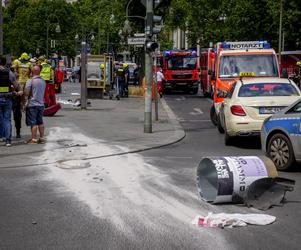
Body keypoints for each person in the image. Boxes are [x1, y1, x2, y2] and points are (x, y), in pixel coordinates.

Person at [11, 52, 32, 138]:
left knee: (19, 98)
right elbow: (32, 72)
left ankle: (21, 105)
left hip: (19, 83)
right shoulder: (29, 63)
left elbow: (12, 69)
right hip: (26, 82)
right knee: (25, 97)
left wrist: (16, 73)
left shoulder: (17, 62)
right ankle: (23, 106)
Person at [24, 65, 46, 144]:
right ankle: (42, 138)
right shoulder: (43, 81)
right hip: (41, 104)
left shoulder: (30, 81)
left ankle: (33, 139)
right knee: (40, 122)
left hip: (32, 104)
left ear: (32, 72)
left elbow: (26, 93)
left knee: (33, 122)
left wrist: (24, 103)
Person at [0, 56, 18, 146]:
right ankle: (8, 140)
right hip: (7, 97)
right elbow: (16, 85)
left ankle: (1, 136)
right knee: (7, 119)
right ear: (4, 63)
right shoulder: (9, 73)